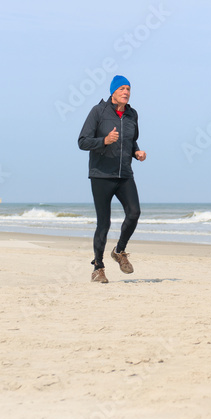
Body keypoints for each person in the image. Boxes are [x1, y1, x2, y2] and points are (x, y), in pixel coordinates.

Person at [77, 75, 147, 283]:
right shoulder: (98, 111)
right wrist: (104, 141)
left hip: (124, 173)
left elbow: (132, 141)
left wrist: (137, 152)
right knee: (104, 223)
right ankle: (98, 267)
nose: (126, 92)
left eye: (128, 89)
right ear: (113, 92)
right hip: (101, 174)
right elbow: (82, 141)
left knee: (134, 213)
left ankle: (119, 251)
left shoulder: (132, 114)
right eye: (122, 89)